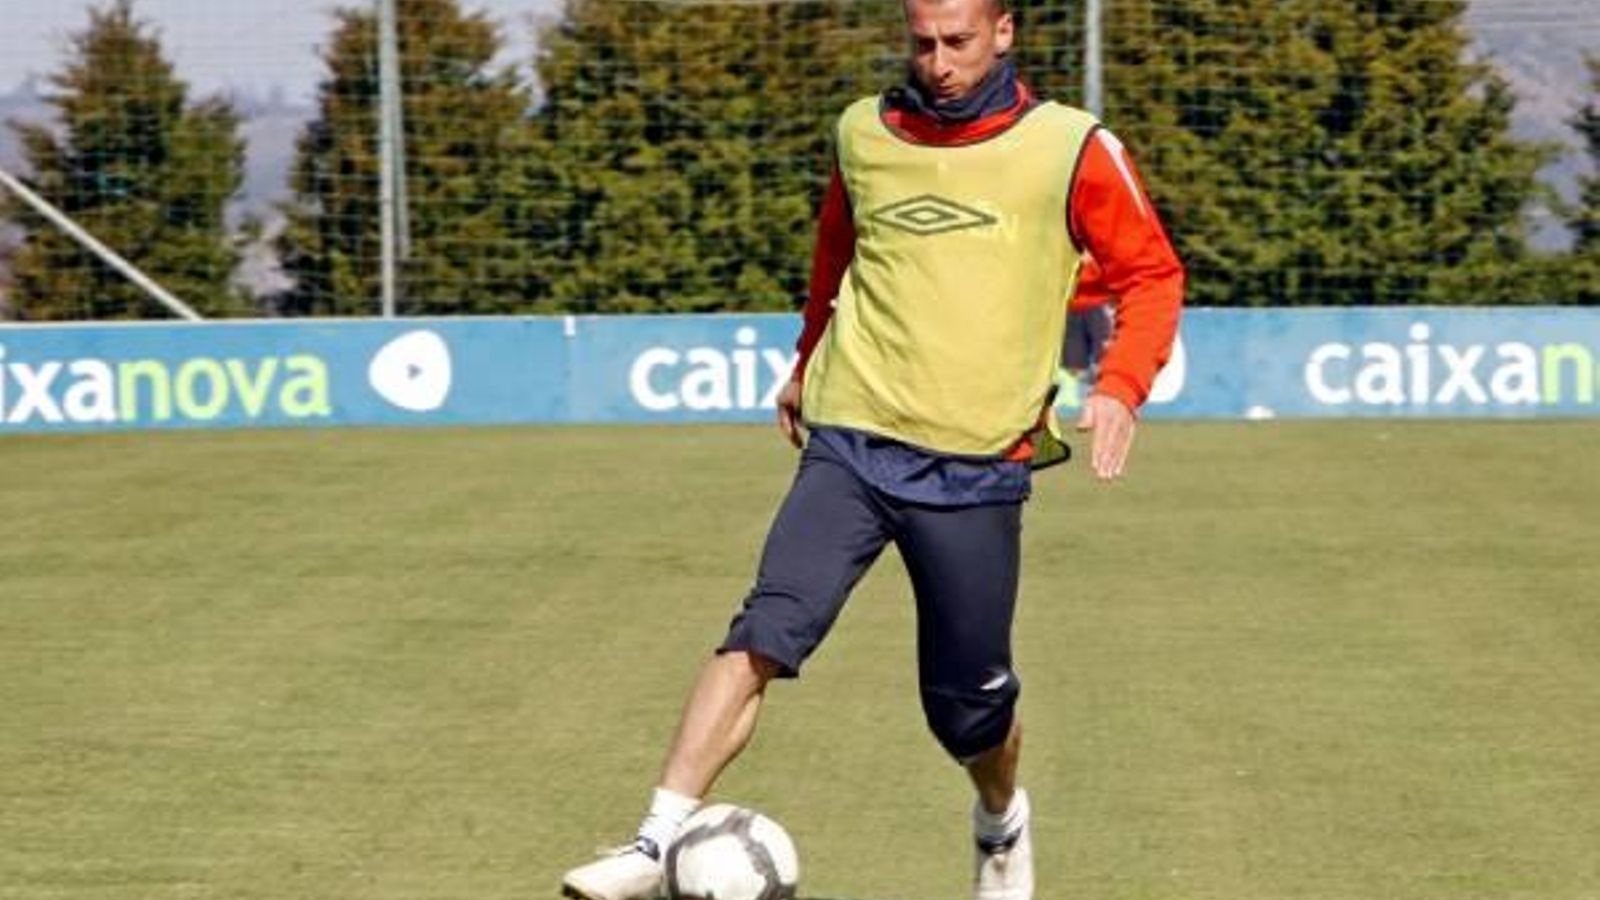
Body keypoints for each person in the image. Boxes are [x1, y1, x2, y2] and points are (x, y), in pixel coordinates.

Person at [561, 0, 1183, 896]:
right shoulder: (864, 132)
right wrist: (807, 361)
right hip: (852, 435)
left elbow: (1152, 273)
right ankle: (655, 841)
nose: (939, 62)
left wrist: (1122, 385)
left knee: (967, 713)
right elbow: (835, 256)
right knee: (766, 627)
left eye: (959, 42)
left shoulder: (1072, 146)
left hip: (976, 464)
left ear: (1004, 32)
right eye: (922, 42)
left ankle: (1001, 819)